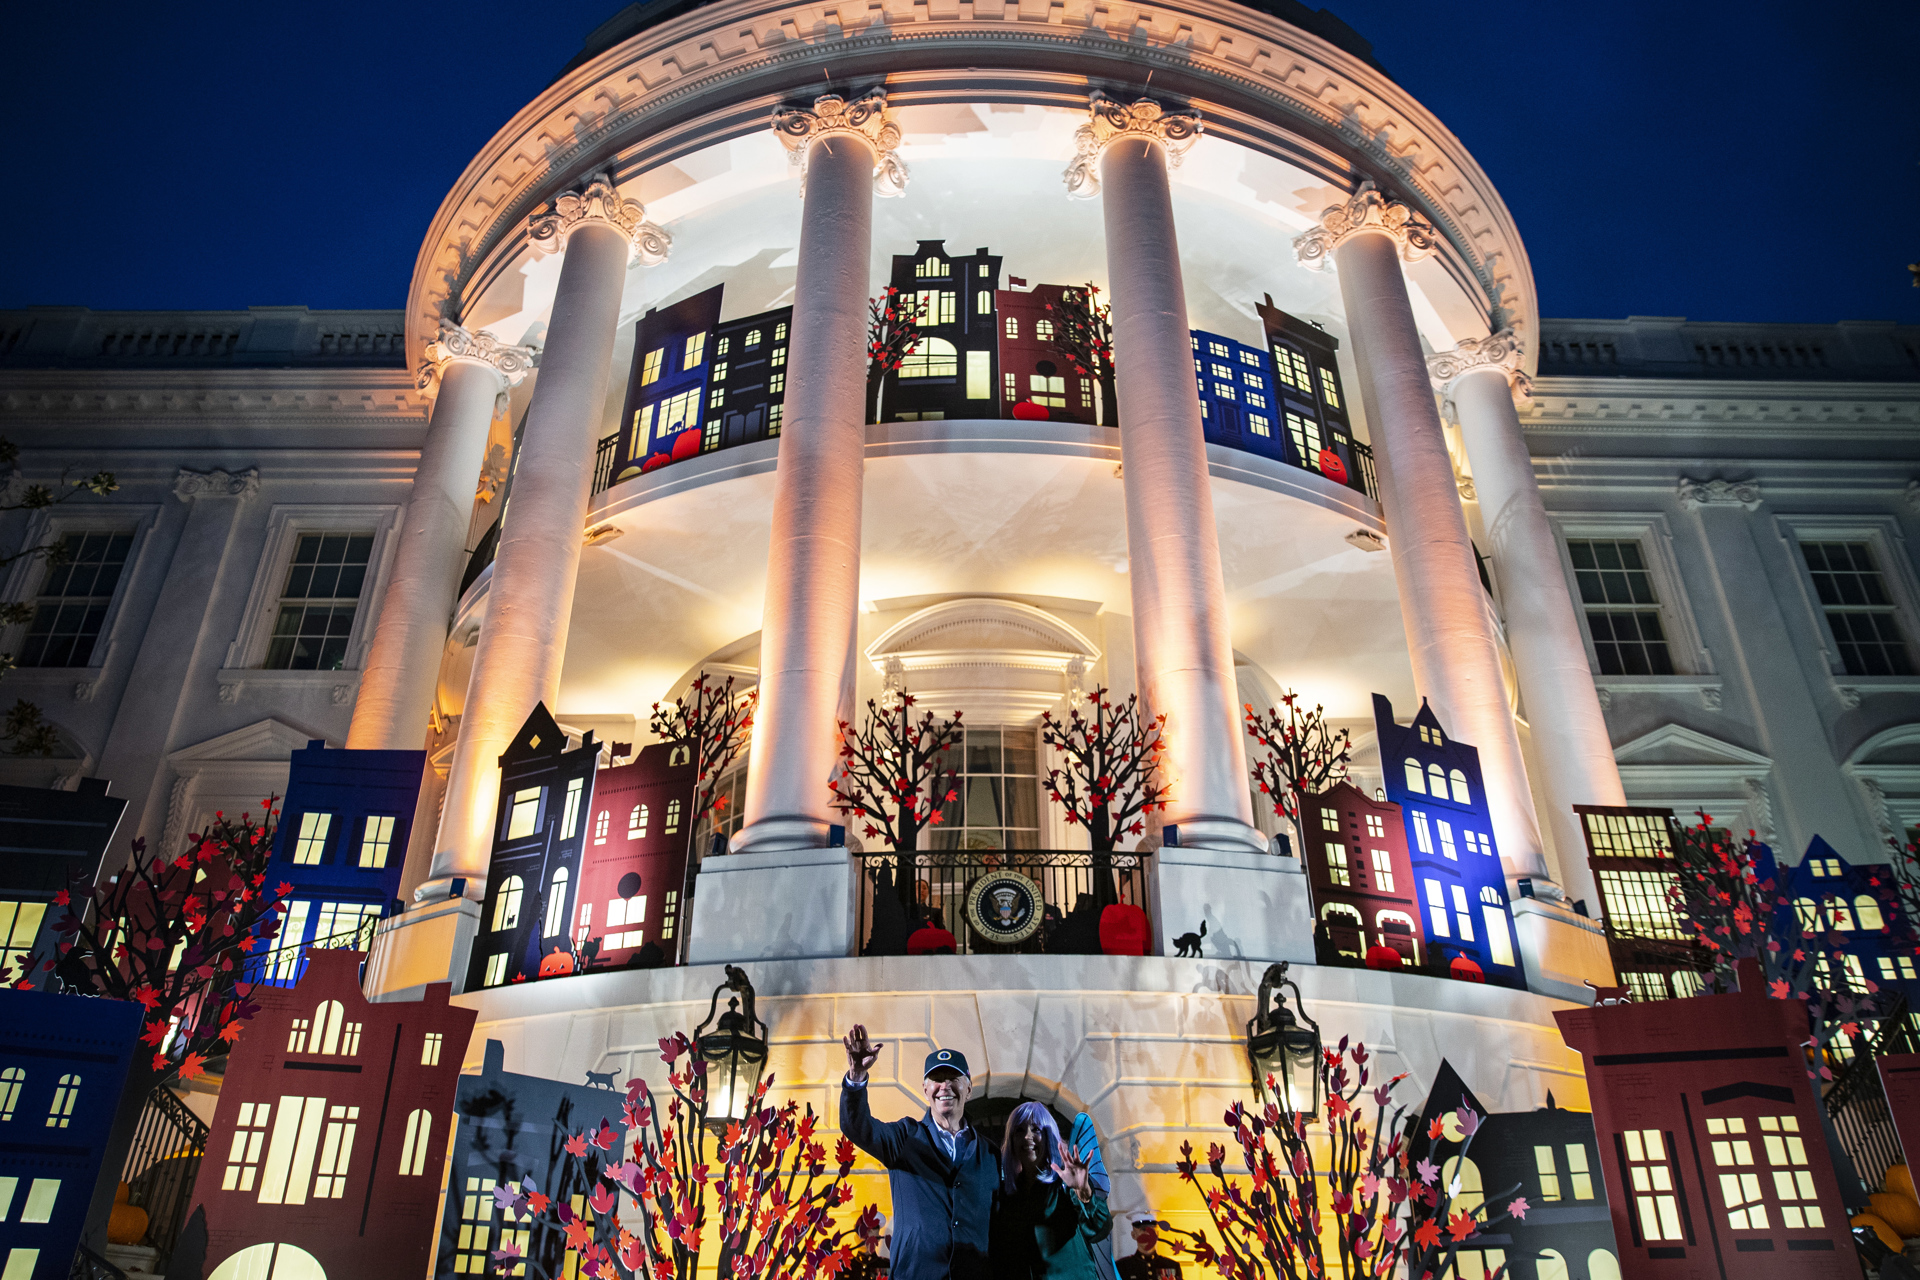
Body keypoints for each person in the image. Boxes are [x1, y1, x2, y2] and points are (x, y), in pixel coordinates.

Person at [841, 1026, 997, 1280]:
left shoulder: (990, 1154)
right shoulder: (904, 1138)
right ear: (925, 1090)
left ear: (968, 1088)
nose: (944, 1086)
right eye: (936, 1079)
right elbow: (857, 1127)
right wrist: (856, 1076)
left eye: (953, 1078)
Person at [989, 1101, 1112, 1279]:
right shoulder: (1007, 1194)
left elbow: (1098, 1231)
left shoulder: (1065, 1183)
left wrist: (1084, 1192)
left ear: (1049, 1137)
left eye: (1036, 1129)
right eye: (1019, 1130)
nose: (1027, 1136)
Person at [1116, 1219, 1184, 1280]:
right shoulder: (1122, 1267)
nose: (1147, 1234)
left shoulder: (1171, 1265)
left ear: (1157, 1235)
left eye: (1151, 1230)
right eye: (1143, 1230)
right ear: (1133, 1235)